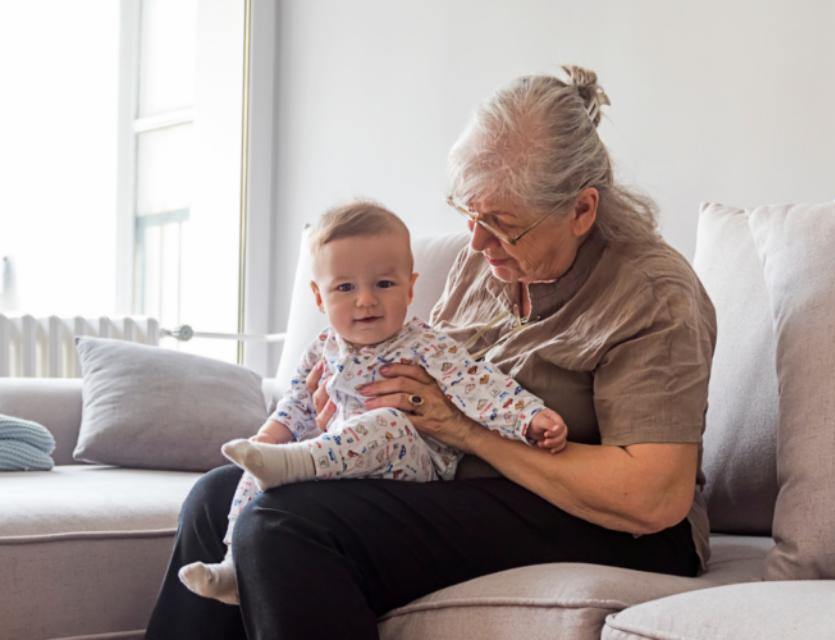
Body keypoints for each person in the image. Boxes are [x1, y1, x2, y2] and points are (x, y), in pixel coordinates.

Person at [146, 64, 716, 640]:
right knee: (216, 498)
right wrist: (347, 418)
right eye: (468, 213)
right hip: (457, 483)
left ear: (582, 210)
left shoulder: (649, 292)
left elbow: (653, 496)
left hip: (613, 526)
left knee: (283, 526)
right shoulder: (485, 263)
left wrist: (466, 432)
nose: (475, 242)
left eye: (501, 224)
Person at [176, 201, 568, 605]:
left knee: (385, 422)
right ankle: (230, 566)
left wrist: (529, 417)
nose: (366, 301)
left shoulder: (424, 344)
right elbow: (295, 406)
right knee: (252, 464)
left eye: (384, 285)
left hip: (411, 464)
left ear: (410, 288)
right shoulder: (322, 348)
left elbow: (480, 386)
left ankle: (298, 464)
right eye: (346, 288)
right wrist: (269, 437)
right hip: (340, 464)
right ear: (318, 296)